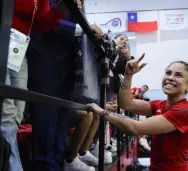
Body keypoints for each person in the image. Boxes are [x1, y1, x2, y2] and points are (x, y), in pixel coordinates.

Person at [1, 1, 80, 171]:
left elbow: (40, 23)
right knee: (7, 113)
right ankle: (15, 167)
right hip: (3, 39)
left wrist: (60, 9)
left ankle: (6, 162)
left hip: (19, 47)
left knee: (17, 114)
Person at [26, 0, 102, 170]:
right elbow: (43, 20)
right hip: (44, 61)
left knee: (61, 119)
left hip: (67, 66)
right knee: (46, 119)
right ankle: (44, 165)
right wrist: (84, 30)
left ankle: (57, 163)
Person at [89, 54, 188, 171]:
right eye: (168, 73)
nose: (170, 78)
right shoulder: (160, 104)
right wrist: (128, 75)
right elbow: (126, 104)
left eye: (178, 75)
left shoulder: (184, 111)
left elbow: (136, 128)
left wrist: (102, 112)